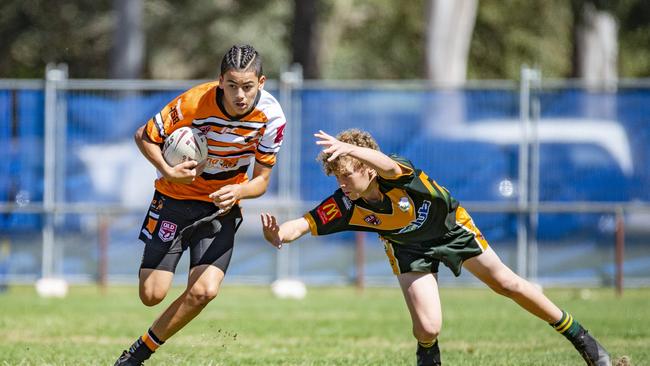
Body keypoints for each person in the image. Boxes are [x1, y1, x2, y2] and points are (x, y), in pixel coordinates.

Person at [260, 129, 611, 366]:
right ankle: (429, 357)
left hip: (450, 228)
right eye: (336, 176)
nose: (342, 183)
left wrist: (354, 149)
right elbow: (303, 224)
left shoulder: (393, 170)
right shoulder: (347, 203)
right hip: (409, 250)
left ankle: (583, 340)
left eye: (347, 174)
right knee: (428, 328)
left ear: (366, 167)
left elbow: (386, 163)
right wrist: (279, 235)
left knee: (507, 283)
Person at [114, 44, 286, 366]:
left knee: (204, 291)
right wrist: (168, 171)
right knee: (151, 294)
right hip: (174, 199)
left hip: (221, 206)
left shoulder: (272, 118)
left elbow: (261, 181)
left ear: (261, 83)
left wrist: (239, 192)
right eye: (232, 85)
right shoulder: (194, 102)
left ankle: (138, 354)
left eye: (248, 86)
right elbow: (144, 136)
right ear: (220, 80)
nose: (240, 94)